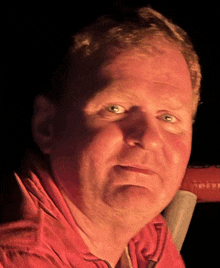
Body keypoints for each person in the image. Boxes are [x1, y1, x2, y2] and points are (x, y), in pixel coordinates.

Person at [0, 6, 201, 268]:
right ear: (46, 126)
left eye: (168, 118)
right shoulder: (21, 256)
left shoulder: (143, 232)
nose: (150, 138)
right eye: (115, 108)